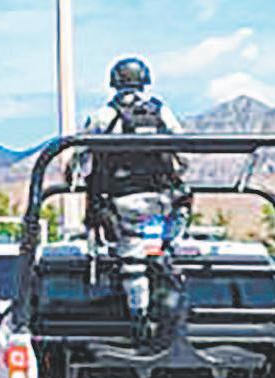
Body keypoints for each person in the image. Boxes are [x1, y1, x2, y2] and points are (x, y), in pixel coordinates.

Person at [71, 57, 190, 339]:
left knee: (132, 257)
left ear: (114, 81)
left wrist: (73, 178)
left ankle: (139, 316)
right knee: (171, 224)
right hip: (161, 199)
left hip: (121, 201)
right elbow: (183, 150)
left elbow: (79, 152)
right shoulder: (161, 112)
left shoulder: (104, 115)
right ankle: (168, 251)